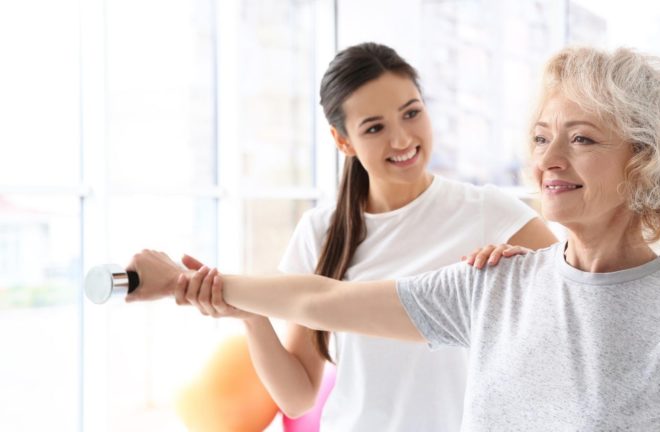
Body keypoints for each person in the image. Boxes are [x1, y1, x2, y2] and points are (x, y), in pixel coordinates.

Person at [128, 46, 660, 430]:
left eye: (582, 139)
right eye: (540, 137)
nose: (549, 159)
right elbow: (323, 302)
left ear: (647, 160)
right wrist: (187, 285)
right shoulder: (494, 285)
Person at [153, 42, 556, 432]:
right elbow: (298, 398)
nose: (401, 139)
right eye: (375, 127)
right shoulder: (319, 232)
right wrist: (253, 317)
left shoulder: (490, 214)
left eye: (411, 113)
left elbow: (576, 302)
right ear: (343, 140)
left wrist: (520, 277)